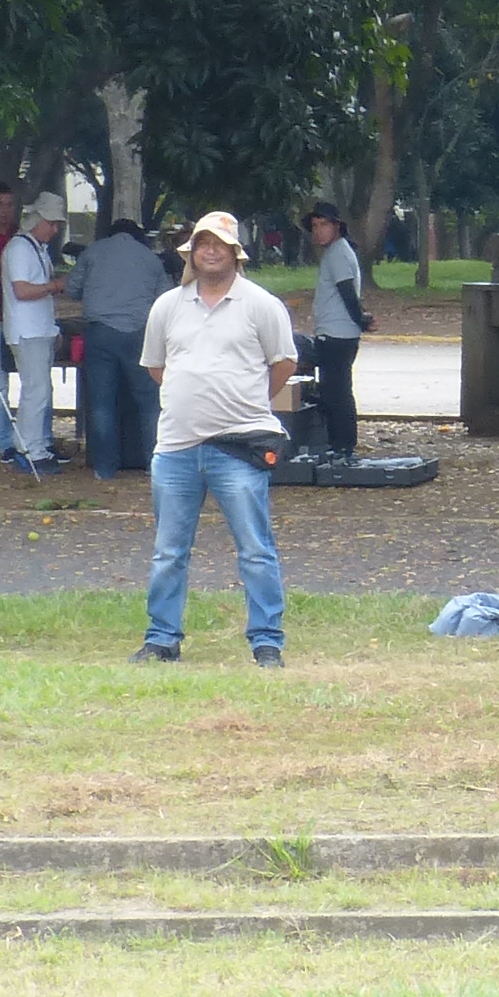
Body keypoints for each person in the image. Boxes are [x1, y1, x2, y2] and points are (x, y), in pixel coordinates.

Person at [138, 210, 298, 665]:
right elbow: (156, 367)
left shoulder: (261, 304)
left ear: (235, 253)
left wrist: (250, 404)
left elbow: (283, 364)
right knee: (169, 551)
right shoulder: (168, 306)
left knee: (255, 549)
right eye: (202, 243)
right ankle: (161, 639)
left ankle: (267, 641)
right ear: (191, 252)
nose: (210, 251)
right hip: (176, 448)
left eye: (219, 244)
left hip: (240, 448)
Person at [74, 208, 169, 480]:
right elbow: (164, 297)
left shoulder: (92, 252)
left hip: (100, 332)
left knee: (102, 403)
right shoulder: (150, 258)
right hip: (140, 333)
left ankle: (104, 469)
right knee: (149, 401)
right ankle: (155, 464)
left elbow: (72, 287)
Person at [0, 194, 70, 472]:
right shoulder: (19, 248)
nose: (54, 229)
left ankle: (34, 444)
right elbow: (22, 290)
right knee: (35, 392)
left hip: (39, 329)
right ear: (37, 221)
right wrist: (55, 286)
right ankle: (29, 449)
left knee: (40, 390)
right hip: (27, 331)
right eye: (51, 223)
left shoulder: (36, 248)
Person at [299, 201, 368, 464]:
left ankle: (343, 446)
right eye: (315, 226)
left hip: (337, 334)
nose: (318, 231)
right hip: (335, 331)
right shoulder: (337, 252)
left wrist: (360, 319)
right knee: (333, 390)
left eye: (323, 225)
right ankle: (340, 444)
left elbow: (347, 292)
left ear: (337, 226)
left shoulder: (338, 253)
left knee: (336, 392)